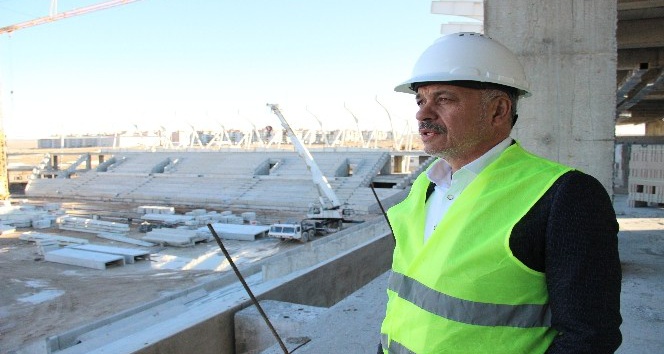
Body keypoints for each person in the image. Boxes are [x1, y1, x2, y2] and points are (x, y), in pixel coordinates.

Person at [378, 32, 622, 353]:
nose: (423, 114)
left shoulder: (565, 196)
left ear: (498, 110)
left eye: (444, 98)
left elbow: (589, 337)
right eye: (421, 100)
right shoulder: (426, 185)